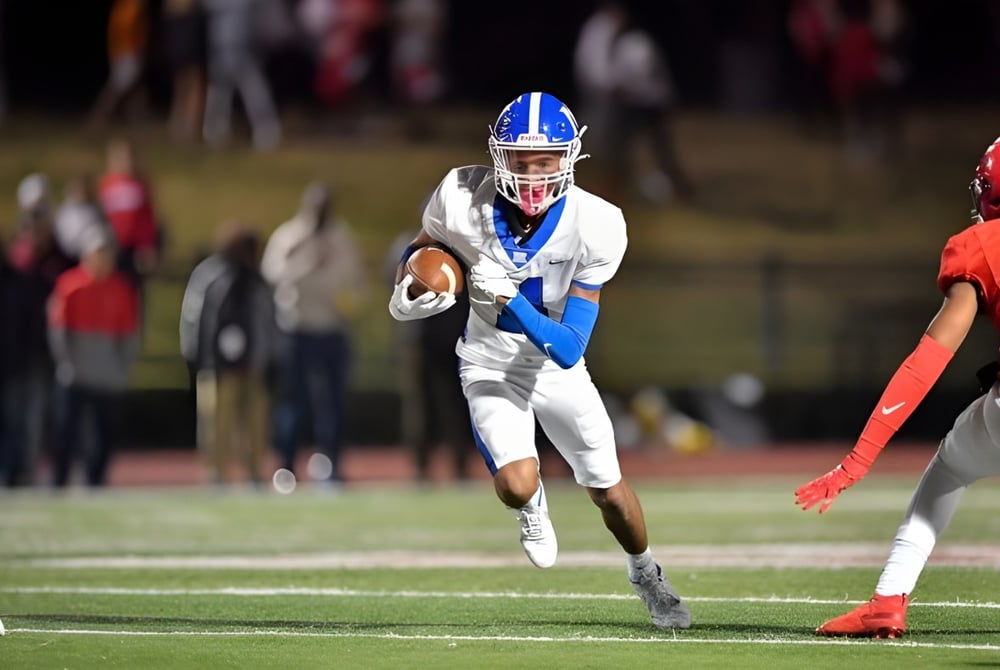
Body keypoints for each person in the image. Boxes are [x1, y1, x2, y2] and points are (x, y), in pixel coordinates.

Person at [387, 92, 690, 631]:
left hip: (555, 366)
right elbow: (424, 247)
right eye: (521, 164)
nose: (532, 177)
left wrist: (513, 301)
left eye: (545, 163)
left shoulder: (597, 222)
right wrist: (409, 285)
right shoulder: (460, 195)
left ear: (568, 159)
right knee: (516, 484)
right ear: (499, 157)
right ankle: (533, 507)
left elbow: (572, 347)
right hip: (487, 360)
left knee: (610, 492)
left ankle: (646, 573)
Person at [794, 136, 1000, 638]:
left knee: (949, 469)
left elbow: (926, 362)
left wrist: (857, 461)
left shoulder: (982, 245)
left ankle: (888, 599)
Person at [261, 182, 366, 485]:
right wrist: (305, 264)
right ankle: (287, 466)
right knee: (294, 401)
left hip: (332, 328)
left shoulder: (342, 237)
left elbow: (356, 280)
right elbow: (272, 275)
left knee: (333, 402)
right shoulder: (289, 236)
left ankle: (331, 465)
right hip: (297, 328)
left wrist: (351, 305)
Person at [180, 220, 279, 485]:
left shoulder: (258, 281)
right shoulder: (210, 276)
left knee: (255, 421)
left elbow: (268, 320)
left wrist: (271, 355)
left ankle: (255, 471)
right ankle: (217, 473)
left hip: (253, 365)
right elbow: (192, 317)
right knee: (217, 423)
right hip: (217, 366)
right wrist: (194, 357)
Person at [47, 228, 140, 487]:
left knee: (105, 432)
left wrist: (121, 369)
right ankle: (59, 480)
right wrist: (67, 364)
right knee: (67, 431)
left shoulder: (121, 289)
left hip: (107, 375)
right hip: (75, 374)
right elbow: (59, 330)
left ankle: (96, 480)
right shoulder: (70, 285)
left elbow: (129, 334)